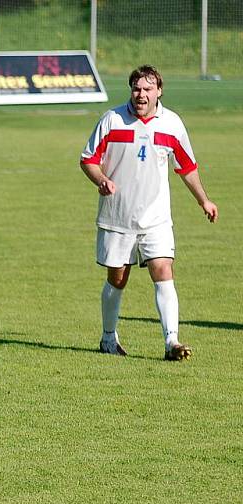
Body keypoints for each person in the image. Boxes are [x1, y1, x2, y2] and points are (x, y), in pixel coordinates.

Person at [80, 64, 218, 360]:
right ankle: (108, 338)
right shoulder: (112, 120)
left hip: (156, 217)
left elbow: (187, 167)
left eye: (147, 89)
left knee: (163, 270)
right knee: (117, 279)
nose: (141, 95)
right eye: (136, 89)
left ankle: (172, 342)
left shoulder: (172, 124)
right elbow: (88, 159)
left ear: (159, 91)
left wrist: (203, 200)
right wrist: (101, 179)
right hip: (117, 217)